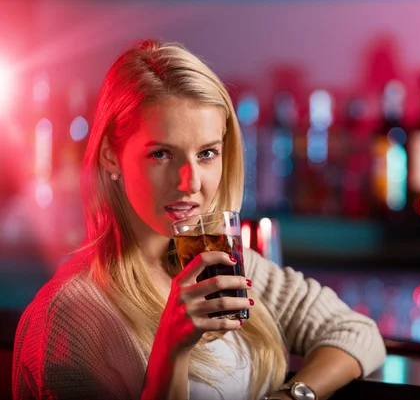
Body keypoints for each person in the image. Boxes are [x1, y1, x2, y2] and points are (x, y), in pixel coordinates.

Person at [12, 40, 386, 400]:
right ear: (111, 155)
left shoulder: (225, 265)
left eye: (207, 153)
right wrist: (171, 352)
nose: (189, 182)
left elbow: (357, 333)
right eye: (161, 154)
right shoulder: (67, 319)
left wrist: (292, 395)